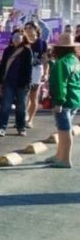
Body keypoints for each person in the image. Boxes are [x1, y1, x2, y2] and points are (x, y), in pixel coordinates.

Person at [47, 33, 80, 168]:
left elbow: (61, 84)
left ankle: (65, 159)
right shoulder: (74, 60)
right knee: (64, 130)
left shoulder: (62, 63)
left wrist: (59, 102)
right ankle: (59, 156)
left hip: (64, 101)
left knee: (64, 131)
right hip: (74, 99)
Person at [0, 32, 33, 137]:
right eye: (14, 38)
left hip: (22, 83)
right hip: (8, 81)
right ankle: (1, 127)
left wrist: (27, 83)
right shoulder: (7, 50)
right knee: (5, 106)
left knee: (21, 107)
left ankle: (21, 127)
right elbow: (2, 66)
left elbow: (29, 69)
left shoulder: (27, 51)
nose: (15, 40)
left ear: (23, 39)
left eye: (18, 38)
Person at [23, 20, 49, 129]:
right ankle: (24, 116)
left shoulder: (42, 43)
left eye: (30, 28)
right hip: (24, 70)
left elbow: (45, 59)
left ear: (36, 29)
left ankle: (30, 120)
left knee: (33, 95)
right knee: (24, 95)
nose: (28, 30)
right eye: (26, 28)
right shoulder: (23, 42)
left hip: (37, 70)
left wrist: (46, 72)